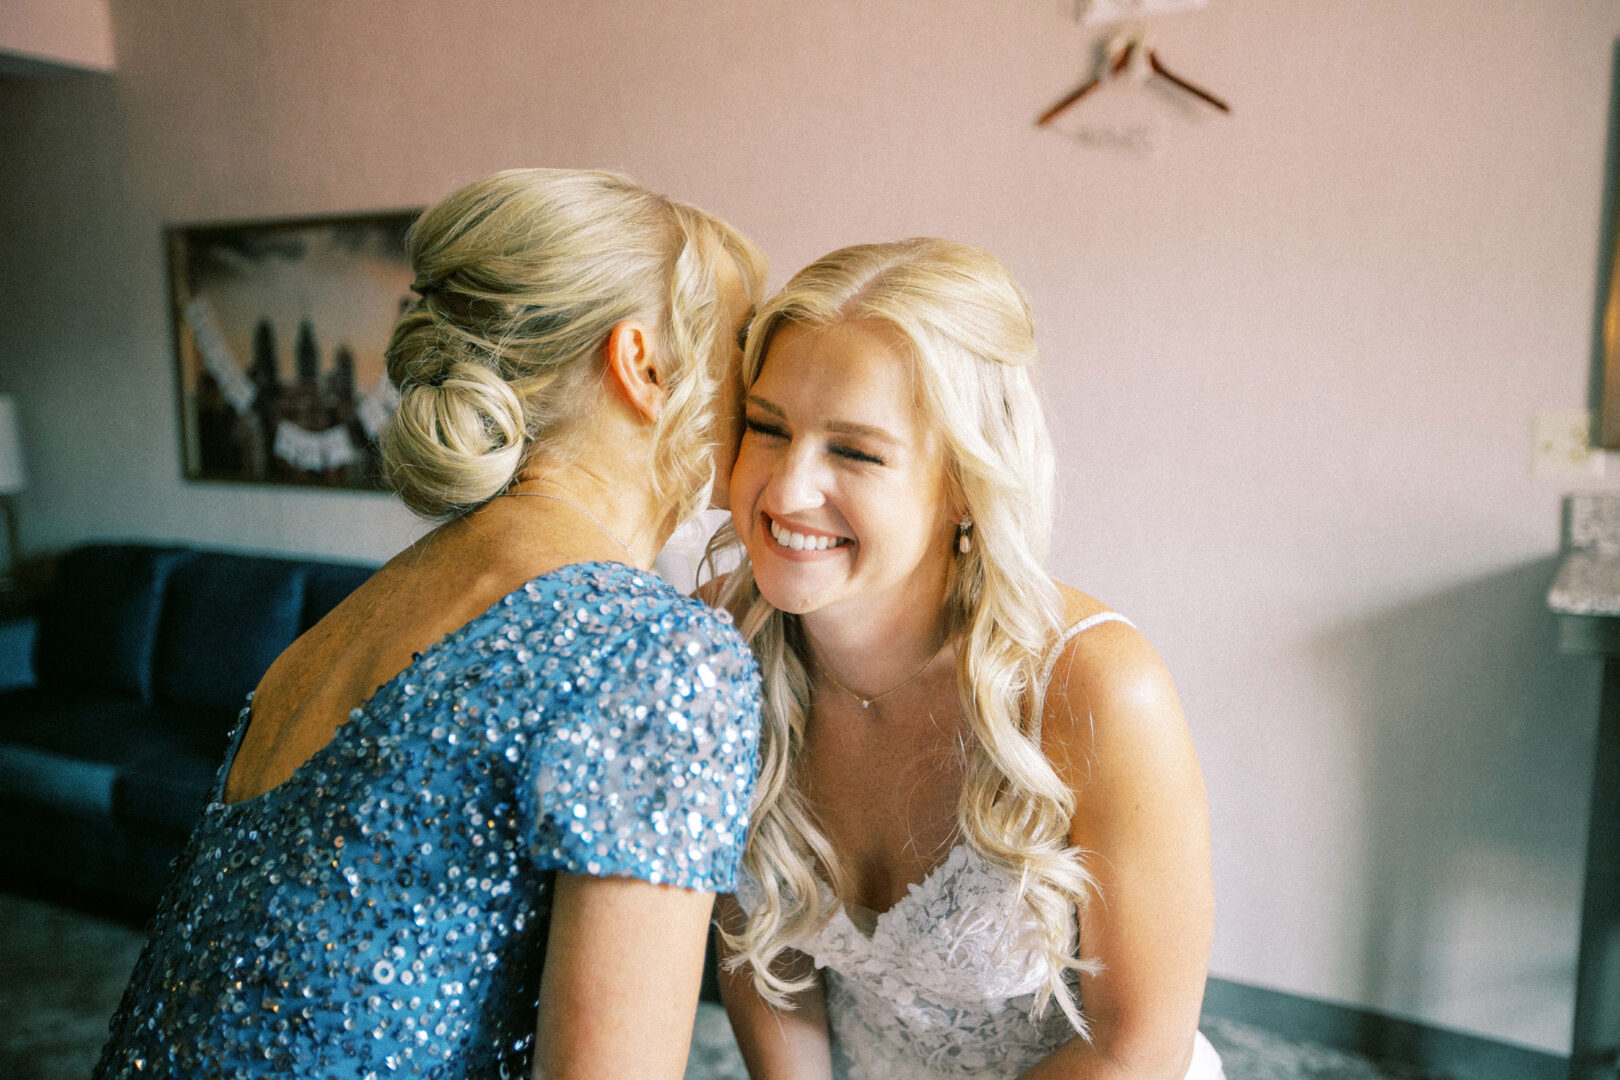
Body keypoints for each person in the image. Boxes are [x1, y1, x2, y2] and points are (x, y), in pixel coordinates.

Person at [95, 168, 767, 1079]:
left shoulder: (362, 612)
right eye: (741, 342)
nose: (762, 385)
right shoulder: (657, 652)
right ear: (643, 365)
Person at [713, 238, 1224, 1080]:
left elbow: (1140, 1047)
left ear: (963, 482)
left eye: (855, 451)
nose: (786, 489)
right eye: (767, 428)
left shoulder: (1096, 686)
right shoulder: (720, 641)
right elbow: (763, 958)